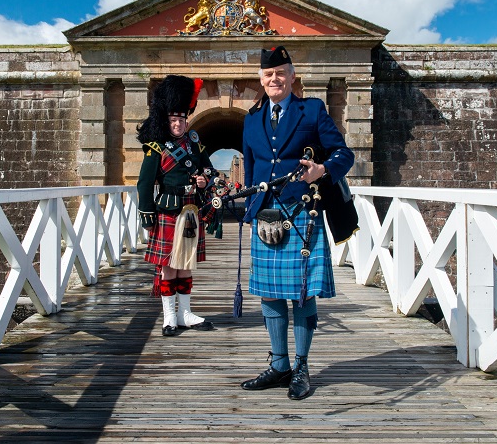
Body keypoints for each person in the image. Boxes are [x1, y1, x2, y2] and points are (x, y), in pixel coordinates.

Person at [240, 46, 354, 400]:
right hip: (266, 212)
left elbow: (343, 153)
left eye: (280, 73)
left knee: (302, 294)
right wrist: (253, 207)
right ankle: (279, 365)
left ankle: (301, 367)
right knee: (269, 294)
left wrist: (322, 170)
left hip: (302, 211)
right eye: (267, 74)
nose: (273, 79)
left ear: (292, 76)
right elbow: (250, 166)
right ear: (261, 79)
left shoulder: (312, 110)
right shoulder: (251, 119)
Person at [136, 75, 216, 336]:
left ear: (186, 119)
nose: (178, 124)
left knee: (185, 263)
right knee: (169, 264)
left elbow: (209, 171)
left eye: (181, 119)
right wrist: (147, 214)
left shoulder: (195, 144)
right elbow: (144, 184)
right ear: (166, 121)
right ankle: (169, 315)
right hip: (168, 211)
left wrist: (205, 180)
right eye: (173, 120)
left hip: (191, 210)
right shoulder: (155, 148)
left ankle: (185, 313)